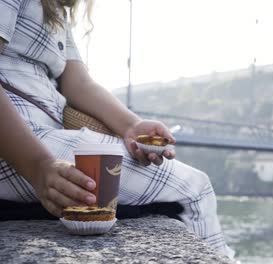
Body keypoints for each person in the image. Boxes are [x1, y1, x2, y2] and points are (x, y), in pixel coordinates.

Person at [0, 0, 233, 258]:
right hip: (19, 146)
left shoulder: (55, 9)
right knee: (193, 189)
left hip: (43, 141)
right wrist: (40, 167)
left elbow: (78, 83)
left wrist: (131, 126)